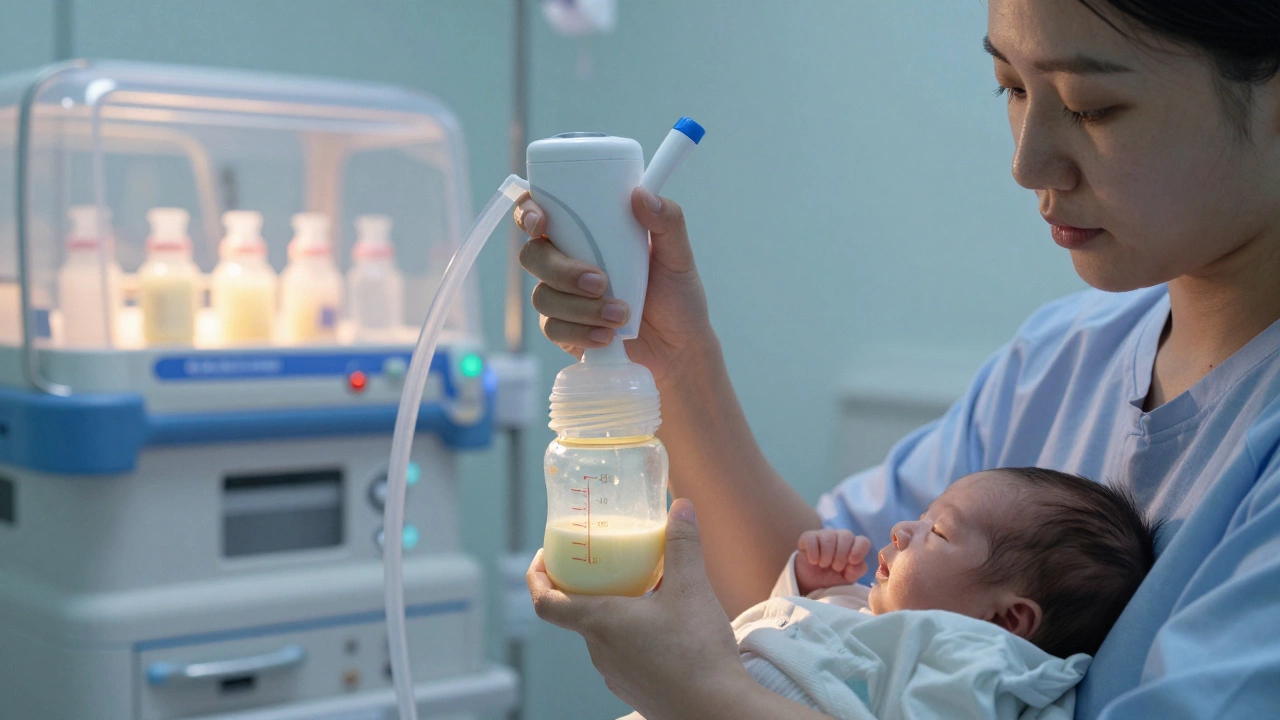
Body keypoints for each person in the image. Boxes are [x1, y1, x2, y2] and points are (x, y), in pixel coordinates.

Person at [519, 0, 1280, 718]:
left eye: (1091, 106)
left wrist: (708, 700)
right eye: (1010, 87)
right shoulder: (1058, 362)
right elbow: (835, 619)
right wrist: (672, 358)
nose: (1028, 160)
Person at [620, 468, 1159, 720]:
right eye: (923, 518)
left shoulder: (977, 662)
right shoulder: (874, 612)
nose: (904, 530)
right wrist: (809, 585)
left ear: (1007, 620)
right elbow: (788, 633)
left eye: (939, 533)